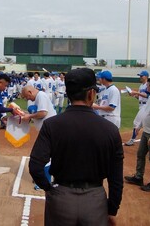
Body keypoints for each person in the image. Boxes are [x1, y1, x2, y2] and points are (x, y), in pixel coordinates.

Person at [29, 68, 124, 226]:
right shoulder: (110, 129)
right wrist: (112, 209)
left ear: (68, 93)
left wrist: (50, 190)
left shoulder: (51, 125)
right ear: (91, 94)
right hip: (95, 199)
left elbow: (35, 166)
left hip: (61, 198)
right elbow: (116, 179)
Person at [125, 70, 150, 146]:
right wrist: (133, 95)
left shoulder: (147, 85)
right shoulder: (141, 85)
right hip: (142, 105)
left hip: (146, 106)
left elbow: (149, 96)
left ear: (146, 76)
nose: (140, 77)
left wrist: (136, 92)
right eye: (139, 76)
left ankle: (132, 140)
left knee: (136, 122)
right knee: (146, 124)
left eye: (141, 76)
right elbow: (139, 97)